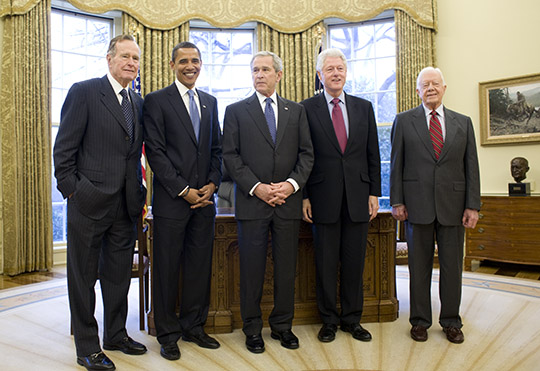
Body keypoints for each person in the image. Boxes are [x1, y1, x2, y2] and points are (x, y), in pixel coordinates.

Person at [53, 34, 147, 371]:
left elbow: (132, 153)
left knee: (118, 276)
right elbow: (63, 152)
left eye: (135, 58)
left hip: (125, 205)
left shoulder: (137, 102)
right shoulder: (85, 92)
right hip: (88, 203)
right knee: (82, 278)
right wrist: (75, 191)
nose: (131, 63)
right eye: (125, 56)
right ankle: (87, 347)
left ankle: (116, 334)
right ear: (109, 59)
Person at [222, 51, 314, 354]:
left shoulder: (296, 111)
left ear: (279, 74)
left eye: (265, 69)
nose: (259, 75)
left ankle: (282, 326)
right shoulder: (236, 111)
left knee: (287, 269)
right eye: (254, 70)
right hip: (253, 204)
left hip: (287, 203)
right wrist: (257, 187)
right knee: (252, 269)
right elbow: (231, 157)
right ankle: (252, 329)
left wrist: (289, 186)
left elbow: (306, 154)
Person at [143, 41, 222, 361]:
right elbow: (156, 154)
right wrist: (184, 190)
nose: (191, 66)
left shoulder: (210, 101)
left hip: (204, 202)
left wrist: (212, 185)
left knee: (199, 267)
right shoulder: (156, 101)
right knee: (166, 268)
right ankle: (168, 333)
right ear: (172, 65)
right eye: (184, 61)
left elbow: (217, 149)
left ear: (201, 65)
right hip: (172, 202)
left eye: (196, 61)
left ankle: (194, 326)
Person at [390, 66, 481, 344]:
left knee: (453, 267)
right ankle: (419, 321)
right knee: (419, 268)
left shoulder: (462, 122)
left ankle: (451, 321)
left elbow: (471, 167)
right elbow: (397, 165)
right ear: (417, 90)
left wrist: (473, 205)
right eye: (424, 84)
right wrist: (397, 201)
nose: (430, 88)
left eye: (435, 83)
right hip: (416, 206)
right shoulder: (403, 121)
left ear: (444, 88)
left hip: (454, 206)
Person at [300, 48, 381, 343]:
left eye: (340, 68)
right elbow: (303, 156)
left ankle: (352, 319)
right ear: (320, 75)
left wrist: (375, 192)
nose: (336, 73)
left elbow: (373, 152)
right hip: (322, 197)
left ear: (346, 73)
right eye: (329, 69)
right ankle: (329, 321)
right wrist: (305, 196)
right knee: (325, 262)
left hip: (359, 196)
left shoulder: (364, 107)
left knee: (354, 261)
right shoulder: (306, 109)